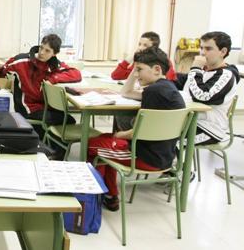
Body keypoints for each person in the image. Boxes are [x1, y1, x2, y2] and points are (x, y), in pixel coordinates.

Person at [88, 47, 185, 211]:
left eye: (139, 69)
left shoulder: (154, 92)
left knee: (91, 144)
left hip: (143, 157)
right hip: (165, 156)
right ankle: (107, 192)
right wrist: (136, 72)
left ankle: (101, 196)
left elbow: (137, 133)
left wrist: (119, 134)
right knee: (105, 137)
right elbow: (126, 92)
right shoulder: (167, 88)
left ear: (156, 69)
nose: (136, 73)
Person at [0, 34, 82, 140]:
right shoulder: (22, 61)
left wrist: (53, 79)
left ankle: (50, 145)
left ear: (54, 54)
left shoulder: (53, 65)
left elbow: (76, 73)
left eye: (47, 51)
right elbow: (1, 71)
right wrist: (8, 88)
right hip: (27, 108)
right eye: (41, 47)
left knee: (64, 116)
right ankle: (55, 149)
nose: (41, 53)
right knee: (68, 120)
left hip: (43, 106)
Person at [175, 31, 239, 145]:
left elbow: (202, 96)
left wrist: (195, 68)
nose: (202, 53)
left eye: (208, 49)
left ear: (223, 52)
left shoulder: (226, 75)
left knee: (170, 142)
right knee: (159, 133)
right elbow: (182, 83)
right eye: (201, 48)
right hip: (190, 121)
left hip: (209, 129)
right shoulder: (203, 71)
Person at [111, 31, 177, 81]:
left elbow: (168, 80)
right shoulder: (140, 60)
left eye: (145, 45)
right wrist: (127, 61)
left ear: (155, 48)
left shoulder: (164, 60)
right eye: (139, 44)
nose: (140, 48)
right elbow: (115, 76)